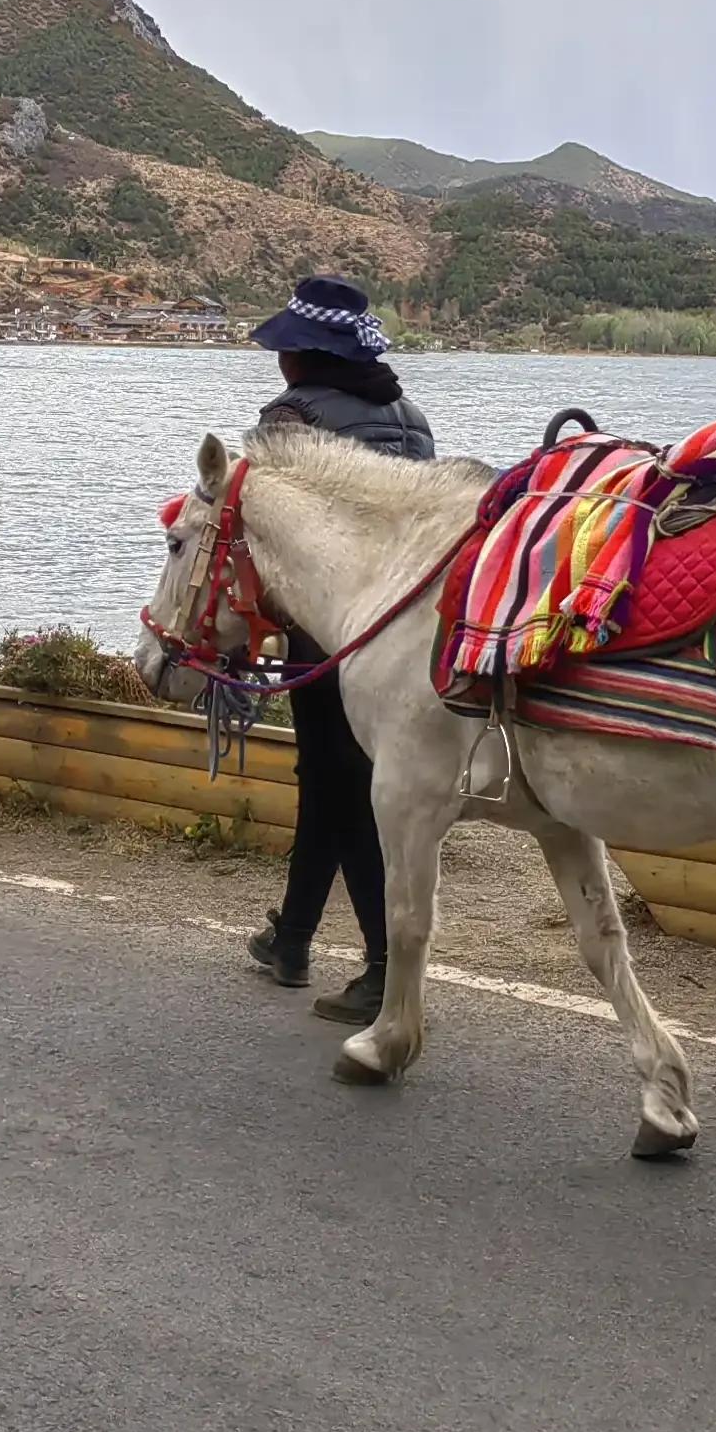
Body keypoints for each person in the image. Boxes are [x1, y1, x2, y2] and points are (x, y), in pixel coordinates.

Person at [239, 272, 433, 1026]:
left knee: (344, 786)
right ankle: (290, 939)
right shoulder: (408, 414)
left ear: (304, 355)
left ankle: (385, 971)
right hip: (404, 627)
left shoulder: (289, 418)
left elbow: (258, 528)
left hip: (322, 629)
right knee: (328, 775)